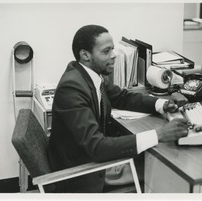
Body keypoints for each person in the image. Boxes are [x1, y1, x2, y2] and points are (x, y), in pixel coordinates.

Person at [47, 24, 189, 193]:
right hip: (82, 175)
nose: (114, 56)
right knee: (165, 170)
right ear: (85, 55)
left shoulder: (88, 75)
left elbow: (122, 97)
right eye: (106, 51)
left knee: (154, 159)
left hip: (90, 159)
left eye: (112, 49)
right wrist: (159, 134)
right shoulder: (71, 88)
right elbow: (97, 147)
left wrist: (161, 104)